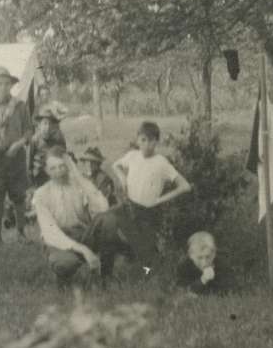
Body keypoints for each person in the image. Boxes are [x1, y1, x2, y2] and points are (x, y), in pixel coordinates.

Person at [32, 146, 134, 289]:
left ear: (68, 167)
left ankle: (106, 275)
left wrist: (78, 176)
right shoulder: (41, 194)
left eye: (62, 166)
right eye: (53, 168)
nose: (59, 172)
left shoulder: (78, 185)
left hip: (82, 234)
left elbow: (102, 207)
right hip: (59, 240)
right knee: (64, 264)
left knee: (109, 219)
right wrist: (84, 250)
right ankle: (64, 277)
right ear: (47, 171)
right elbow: (51, 234)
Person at [112, 121, 192, 263]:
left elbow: (185, 186)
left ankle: (147, 271)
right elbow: (115, 165)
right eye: (143, 140)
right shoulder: (132, 156)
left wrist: (160, 200)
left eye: (151, 141)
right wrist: (123, 178)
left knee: (146, 252)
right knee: (113, 228)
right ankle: (130, 255)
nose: (147, 145)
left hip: (149, 211)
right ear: (137, 140)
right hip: (130, 206)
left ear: (157, 142)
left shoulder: (161, 162)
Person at [0, 66, 34, 245]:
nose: (3, 87)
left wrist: (18, 144)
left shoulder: (20, 106)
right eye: (0, 83)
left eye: (6, 83)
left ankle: (20, 232)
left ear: (11, 85)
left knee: (18, 194)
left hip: (15, 155)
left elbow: (29, 130)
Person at [28, 105, 67, 190]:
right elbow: (29, 163)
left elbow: (64, 156)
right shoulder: (35, 140)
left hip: (55, 173)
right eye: (45, 123)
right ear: (39, 125)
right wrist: (31, 178)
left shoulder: (58, 139)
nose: (47, 127)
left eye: (50, 124)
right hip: (40, 175)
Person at [178, 231, 221, 295]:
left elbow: (228, 291)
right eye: (199, 258)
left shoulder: (221, 266)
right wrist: (203, 280)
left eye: (208, 257)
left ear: (214, 254)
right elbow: (185, 292)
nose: (204, 262)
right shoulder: (184, 268)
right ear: (191, 255)